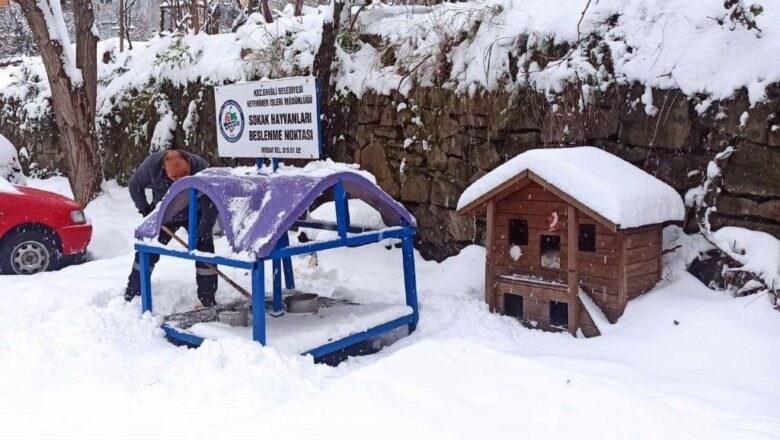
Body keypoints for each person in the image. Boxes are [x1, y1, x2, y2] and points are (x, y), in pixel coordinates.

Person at [124, 149, 219, 307]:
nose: (179, 180)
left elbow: (211, 202)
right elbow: (134, 185)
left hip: (195, 213)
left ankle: (207, 297)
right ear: (163, 167)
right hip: (165, 214)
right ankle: (133, 292)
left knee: (205, 252)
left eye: (184, 173)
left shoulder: (202, 168)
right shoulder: (151, 165)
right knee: (148, 250)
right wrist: (145, 210)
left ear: (189, 163)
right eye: (174, 176)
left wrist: (204, 228)